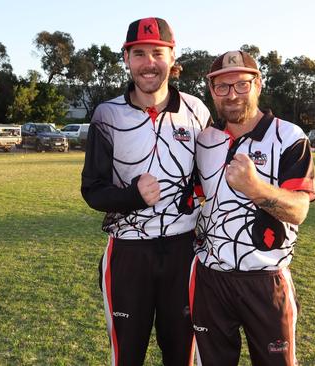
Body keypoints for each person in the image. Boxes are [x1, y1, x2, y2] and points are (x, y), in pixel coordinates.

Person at [81, 17, 211, 366]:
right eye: (139, 54)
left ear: (172, 57)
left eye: (157, 52)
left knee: (182, 355)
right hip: (128, 254)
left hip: (183, 251)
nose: (148, 63)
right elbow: (92, 191)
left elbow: (210, 177)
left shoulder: (196, 110)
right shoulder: (106, 115)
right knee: (127, 356)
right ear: (126, 59)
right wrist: (132, 196)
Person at [190, 50, 315, 365]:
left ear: (258, 84)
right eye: (222, 87)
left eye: (241, 85)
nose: (232, 95)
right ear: (212, 91)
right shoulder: (204, 140)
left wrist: (254, 187)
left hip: (266, 279)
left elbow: (299, 209)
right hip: (211, 279)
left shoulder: (289, 137)